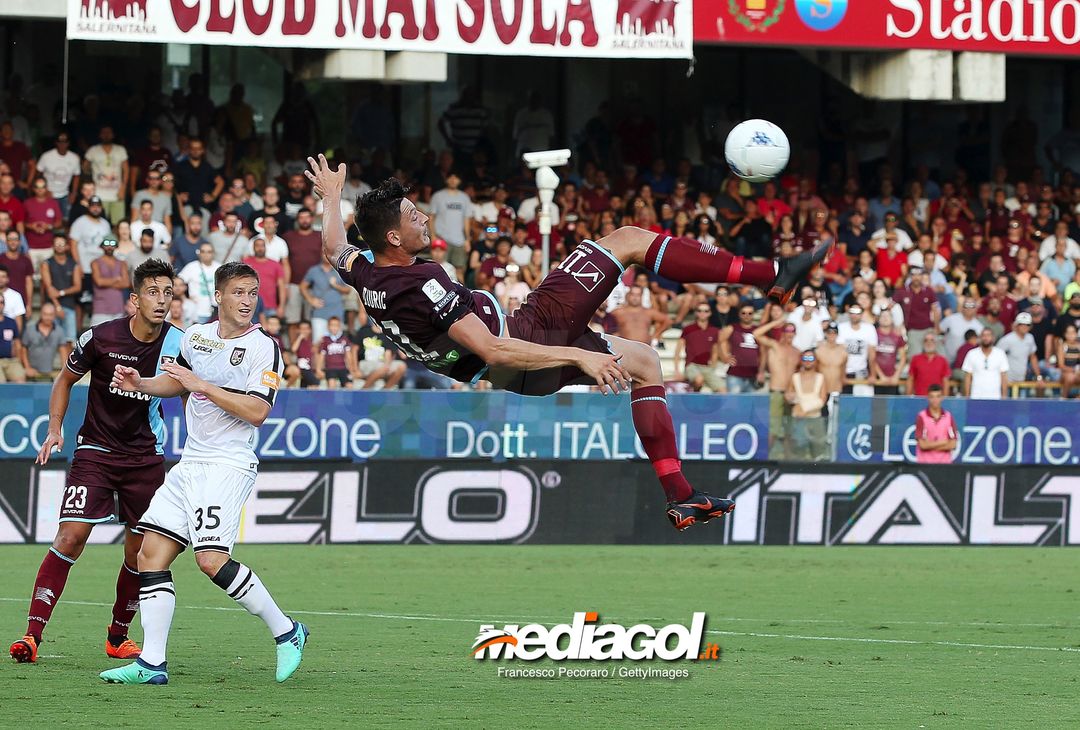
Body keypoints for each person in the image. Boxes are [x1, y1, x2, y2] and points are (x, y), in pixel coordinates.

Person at [306, 155, 826, 531]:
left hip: (525, 358)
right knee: (626, 240)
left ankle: (682, 497)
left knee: (645, 363)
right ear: (394, 238)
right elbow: (492, 349)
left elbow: (334, 247)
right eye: (412, 215)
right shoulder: (423, 285)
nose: (422, 217)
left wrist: (331, 197)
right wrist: (579, 353)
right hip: (529, 338)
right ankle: (772, 274)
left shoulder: (371, 273)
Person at [101, 261, 308, 685]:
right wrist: (141, 383)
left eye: (252, 293)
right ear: (218, 297)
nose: (247, 301)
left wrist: (203, 385)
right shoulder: (195, 336)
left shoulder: (263, 347)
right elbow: (175, 383)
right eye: (238, 293)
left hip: (228, 464)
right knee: (149, 555)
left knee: (211, 561)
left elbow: (257, 412)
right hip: (190, 463)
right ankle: (151, 663)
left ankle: (288, 632)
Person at [9, 260, 180, 664]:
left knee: (139, 553)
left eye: (168, 292)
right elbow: (64, 379)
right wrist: (55, 428)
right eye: (153, 292)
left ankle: (117, 637)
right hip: (96, 452)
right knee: (70, 537)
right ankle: (31, 636)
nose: (162, 300)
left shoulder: (179, 344)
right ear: (135, 300)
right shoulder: (99, 338)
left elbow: (182, 389)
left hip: (146, 458)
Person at [786, 349, 829, 462]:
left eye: (811, 359)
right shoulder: (794, 377)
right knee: (798, 454)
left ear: (815, 361)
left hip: (815, 419)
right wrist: (789, 398)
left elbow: (822, 399)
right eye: (805, 358)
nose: (808, 361)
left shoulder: (821, 377)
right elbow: (789, 395)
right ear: (801, 361)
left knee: (818, 454)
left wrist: (804, 409)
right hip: (798, 420)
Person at [674, 301, 724, 392]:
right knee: (699, 380)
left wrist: (713, 366)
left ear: (710, 313)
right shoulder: (688, 329)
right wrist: (677, 370)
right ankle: (695, 401)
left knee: (723, 389)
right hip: (691, 365)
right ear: (696, 312)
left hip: (707, 367)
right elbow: (678, 350)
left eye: (706, 311)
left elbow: (715, 350)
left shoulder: (714, 330)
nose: (702, 313)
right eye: (700, 310)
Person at [41, 234, 81, 345]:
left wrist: (61, 292)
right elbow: (49, 289)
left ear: (67, 246)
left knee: (70, 340)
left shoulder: (73, 264)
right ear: (53, 246)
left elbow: (78, 286)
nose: (59, 246)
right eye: (56, 244)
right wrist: (58, 307)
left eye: (62, 244)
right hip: (52, 308)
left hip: (69, 306)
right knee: (51, 341)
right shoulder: (46, 263)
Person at [21, 302, 70, 380]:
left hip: (50, 371)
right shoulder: (30, 329)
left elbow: (63, 352)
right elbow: (23, 350)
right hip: (32, 371)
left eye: (50, 315)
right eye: (45, 314)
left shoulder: (59, 331)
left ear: (54, 315)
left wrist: (63, 372)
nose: (47, 317)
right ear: (41, 314)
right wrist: (27, 367)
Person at [837, 305, 878, 396]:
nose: (854, 315)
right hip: (844, 372)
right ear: (848, 313)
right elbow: (840, 353)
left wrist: (873, 374)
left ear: (862, 314)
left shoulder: (869, 328)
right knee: (845, 404)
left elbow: (872, 354)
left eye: (857, 312)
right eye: (852, 312)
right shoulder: (841, 327)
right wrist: (841, 374)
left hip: (862, 372)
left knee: (863, 403)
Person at [997, 312, 1041, 394]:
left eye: (1027, 324)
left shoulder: (1030, 338)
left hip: (1022, 379)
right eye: (1022, 324)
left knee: (1022, 406)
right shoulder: (1007, 339)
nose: (1024, 326)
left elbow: (1033, 357)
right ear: (1016, 325)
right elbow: (995, 356)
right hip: (1007, 381)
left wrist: (1039, 377)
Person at [90, 238, 130, 327]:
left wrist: (106, 282)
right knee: (97, 337)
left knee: (117, 338)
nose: (109, 247)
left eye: (112, 244)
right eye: (106, 244)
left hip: (118, 307)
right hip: (100, 308)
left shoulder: (122, 263)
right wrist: (117, 279)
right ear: (102, 246)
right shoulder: (95, 262)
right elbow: (99, 282)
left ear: (116, 246)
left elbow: (126, 283)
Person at [914, 384, 958, 464]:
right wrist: (943, 442)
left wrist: (929, 445)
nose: (935, 400)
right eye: (932, 396)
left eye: (938, 396)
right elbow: (922, 445)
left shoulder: (948, 416)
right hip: (925, 464)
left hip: (944, 464)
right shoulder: (922, 417)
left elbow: (953, 444)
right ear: (928, 398)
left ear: (942, 398)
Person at [178, 244, 222, 323]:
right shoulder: (191, 267)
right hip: (195, 312)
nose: (206, 254)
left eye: (209, 252)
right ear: (199, 253)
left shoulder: (219, 268)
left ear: (213, 253)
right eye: (203, 251)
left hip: (215, 311)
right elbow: (178, 283)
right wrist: (185, 298)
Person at [962, 328, 1009, 399]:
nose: (986, 338)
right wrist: (967, 396)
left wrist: (1004, 397)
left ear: (993, 338)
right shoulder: (972, 354)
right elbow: (967, 377)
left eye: (988, 335)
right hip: (976, 396)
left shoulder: (1000, 354)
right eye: (983, 335)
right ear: (980, 338)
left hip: (995, 397)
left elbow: (1004, 376)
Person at [315, 315, 355, 388]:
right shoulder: (325, 340)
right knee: (331, 385)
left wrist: (351, 369)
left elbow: (348, 355)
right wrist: (318, 369)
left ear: (339, 326)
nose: (334, 327)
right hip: (330, 368)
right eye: (332, 325)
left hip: (342, 368)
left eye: (336, 325)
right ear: (328, 327)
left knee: (350, 386)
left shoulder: (344, 339)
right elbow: (321, 355)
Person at [816, 322, 848, 395]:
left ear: (837, 334)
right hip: (821, 390)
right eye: (829, 332)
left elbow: (843, 370)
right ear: (826, 334)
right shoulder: (819, 351)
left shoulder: (843, 351)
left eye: (834, 333)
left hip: (837, 389)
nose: (832, 335)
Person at [0, 296, 26, 383]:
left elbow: (17, 342)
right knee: (1, 382)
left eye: (1, 302)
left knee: (20, 380)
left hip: (11, 360)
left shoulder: (11, 322)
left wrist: (18, 360)